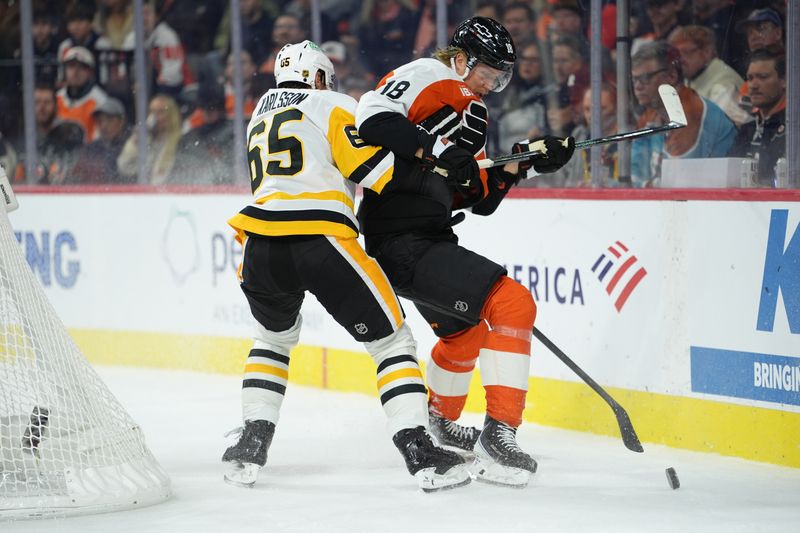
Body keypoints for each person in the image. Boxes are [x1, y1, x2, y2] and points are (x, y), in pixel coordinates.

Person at [221, 40, 471, 493]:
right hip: (319, 238)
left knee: (272, 339)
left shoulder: (259, 111)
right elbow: (374, 171)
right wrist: (438, 171)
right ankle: (417, 448)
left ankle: (252, 439)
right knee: (392, 341)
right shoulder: (332, 103)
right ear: (318, 76)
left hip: (259, 246)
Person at [354, 17, 574, 487]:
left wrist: (525, 163)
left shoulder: (475, 114)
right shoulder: (429, 75)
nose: (493, 84)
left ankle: (440, 421)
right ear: (460, 59)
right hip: (399, 237)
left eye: (501, 78)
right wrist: (436, 149)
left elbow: (476, 196)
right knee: (513, 302)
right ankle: (500, 435)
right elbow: (370, 116)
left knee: (464, 335)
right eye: (488, 73)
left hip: (427, 237)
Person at [630, 41, 736, 187]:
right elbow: (636, 177)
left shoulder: (690, 114)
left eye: (645, 78)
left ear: (672, 76)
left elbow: (676, 188)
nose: (637, 86)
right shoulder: (651, 114)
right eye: (634, 79)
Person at [668, 25, 751, 127]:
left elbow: (727, 128)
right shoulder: (690, 78)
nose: (680, 60)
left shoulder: (723, 83)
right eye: (676, 55)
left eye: (686, 52)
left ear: (707, 52)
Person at [728, 50, 786, 187]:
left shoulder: (794, 126)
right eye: (750, 78)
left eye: (763, 77)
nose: (753, 85)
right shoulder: (748, 127)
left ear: (784, 81)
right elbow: (729, 173)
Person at [117, 93, 182, 184]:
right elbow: (124, 167)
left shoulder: (181, 142)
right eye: (152, 112)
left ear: (171, 115)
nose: (154, 117)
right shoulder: (146, 141)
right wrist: (135, 142)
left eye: (160, 112)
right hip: (146, 190)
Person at [69, 97, 131, 184]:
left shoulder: (132, 145)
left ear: (122, 121)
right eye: (99, 120)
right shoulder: (90, 149)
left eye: (109, 119)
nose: (103, 125)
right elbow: (77, 177)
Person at [56, 46, 109, 143]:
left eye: (82, 67)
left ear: (90, 72)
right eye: (71, 66)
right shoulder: (57, 97)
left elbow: (101, 140)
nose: (75, 72)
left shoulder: (100, 100)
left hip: (89, 150)